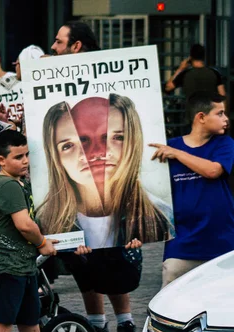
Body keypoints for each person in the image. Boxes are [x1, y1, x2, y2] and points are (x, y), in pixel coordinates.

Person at [46, 21, 143, 332]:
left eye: (59, 42)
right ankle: (98, 326)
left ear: (75, 47)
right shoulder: (53, 80)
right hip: (74, 189)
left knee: (113, 252)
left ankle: (125, 322)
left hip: (110, 185)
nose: (53, 47)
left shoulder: (104, 79)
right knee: (85, 259)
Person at [0, 130, 74, 332]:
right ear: (0, 160)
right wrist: (42, 243)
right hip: (4, 264)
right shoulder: (7, 185)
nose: (25, 161)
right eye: (18, 156)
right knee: (3, 316)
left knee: (30, 314)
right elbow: (24, 224)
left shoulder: (18, 183)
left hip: (22, 263)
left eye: (27, 155)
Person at [37, 94, 173, 247]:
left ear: (133, 141)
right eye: (68, 145)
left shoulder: (162, 216)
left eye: (117, 138)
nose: (96, 153)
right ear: (55, 157)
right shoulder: (44, 221)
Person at [150, 92, 234, 288]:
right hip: (182, 243)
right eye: (220, 113)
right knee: (171, 301)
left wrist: (178, 155)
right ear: (201, 117)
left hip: (221, 240)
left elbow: (213, 170)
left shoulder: (225, 144)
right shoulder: (169, 147)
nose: (226, 119)